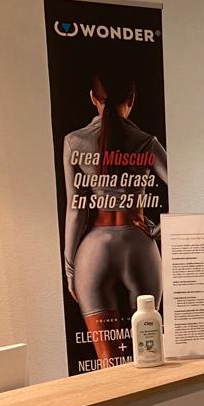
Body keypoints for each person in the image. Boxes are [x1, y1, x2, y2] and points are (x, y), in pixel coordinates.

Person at [62, 71, 168, 367]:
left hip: (93, 250)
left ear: (93, 98)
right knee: (149, 357)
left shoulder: (74, 141)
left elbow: (75, 209)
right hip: (139, 246)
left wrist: (70, 270)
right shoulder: (146, 142)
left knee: (108, 366)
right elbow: (186, 189)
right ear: (131, 99)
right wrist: (159, 230)